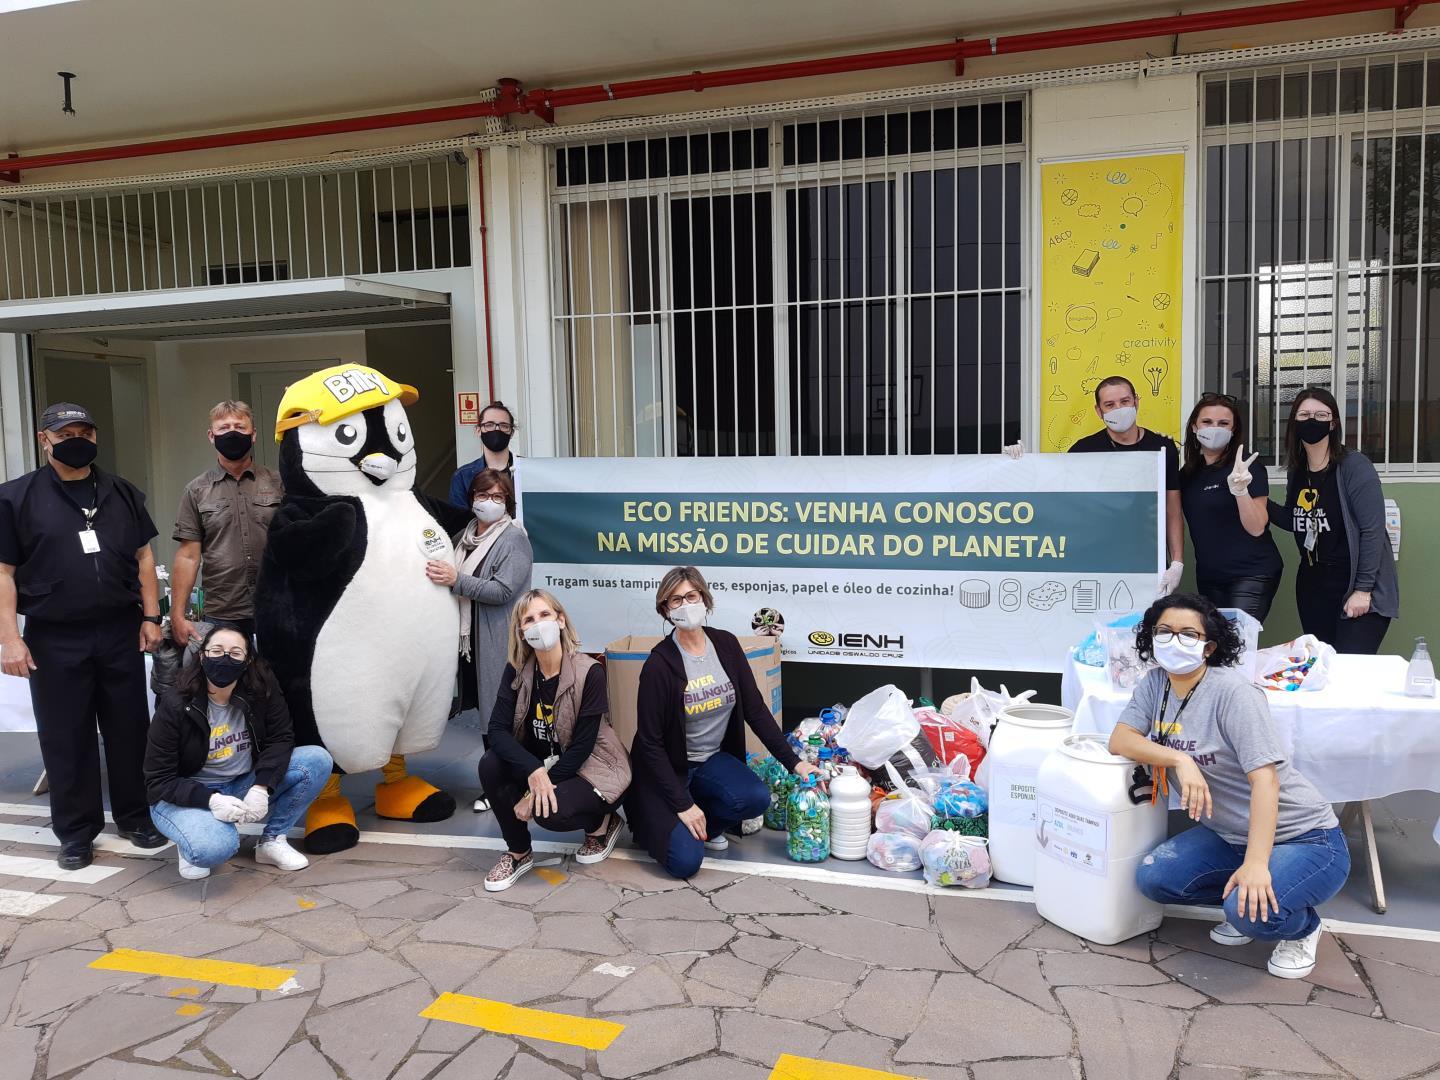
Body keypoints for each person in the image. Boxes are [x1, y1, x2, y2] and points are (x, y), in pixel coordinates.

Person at [1110, 593, 1348, 980]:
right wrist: (1179, 759)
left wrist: (1256, 864)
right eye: (1165, 631)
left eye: (1188, 634)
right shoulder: (1157, 684)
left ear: (1209, 647)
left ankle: (1302, 928)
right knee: (1156, 878)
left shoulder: (1234, 694)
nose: (1174, 640)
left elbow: (1265, 781)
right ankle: (1248, 895)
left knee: (1247, 913)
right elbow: (1120, 738)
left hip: (1305, 836)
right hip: (1230, 835)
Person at [0, 403, 167, 870]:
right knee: (66, 737)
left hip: (119, 630)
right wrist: (10, 640)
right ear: (44, 440)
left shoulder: (122, 493)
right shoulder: (15, 498)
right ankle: (75, 833)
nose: (76, 439)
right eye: (65, 432)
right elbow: (4, 573)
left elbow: (143, 558)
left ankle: (136, 817)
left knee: (130, 730)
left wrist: (152, 617)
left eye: (84, 431)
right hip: (54, 638)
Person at [626, 566, 821, 879]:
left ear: (705, 599)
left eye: (691, 596)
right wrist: (682, 804)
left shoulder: (726, 646)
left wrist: (795, 763)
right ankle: (670, 823)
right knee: (685, 864)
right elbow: (650, 744)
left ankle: (701, 825)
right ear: (665, 609)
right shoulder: (659, 665)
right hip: (667, 771)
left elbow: (756, 711)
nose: (685, 605)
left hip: (709, 765)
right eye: (675, 601)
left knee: (756, 797)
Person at [144, 625, 331, 879]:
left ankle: (272, 840)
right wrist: (209, 800)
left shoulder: (261, 688)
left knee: (316, 760)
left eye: (235, 653)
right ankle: (194, 836)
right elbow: (158, 780)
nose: (224, 659)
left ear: (247, 660)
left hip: (240, 783)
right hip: (187, 795)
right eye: (216, 651)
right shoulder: (176, 702)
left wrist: (261, 787)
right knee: (212, 850)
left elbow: (281, 738)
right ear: (202, 656)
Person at [476, 589, 630, 890]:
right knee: (490, 764)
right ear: (521, 631)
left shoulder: (590, 672)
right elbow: (496, 730)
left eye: (545, 615)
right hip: (545, 765)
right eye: (529, 619)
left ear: (561, 620)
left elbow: (583, 749)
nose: (538, 624)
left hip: (594, 769)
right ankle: (518, 851)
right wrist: (534, 772)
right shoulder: (517, 671)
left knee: (550, 811)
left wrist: (533, 795)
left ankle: (602, 823)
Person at [425, 467, 533, 810]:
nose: (489, 503)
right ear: (471, 499)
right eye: (482, 496)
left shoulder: (513, 538)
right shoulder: (464, 536)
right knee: (486, 714)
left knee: (501, 716)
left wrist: (455, 580)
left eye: (497, 497)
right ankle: (496, 780)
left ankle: (506, 785)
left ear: (508, 503)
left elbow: (502, 590)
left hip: (499, 643)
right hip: (469, 642)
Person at [1271, 387, 1397, 653]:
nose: (1311, 420)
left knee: (1350, 671)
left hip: (1354, 584)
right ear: (1293, 421)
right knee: (1323, 667)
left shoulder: (1353, 465)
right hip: (1313, 583)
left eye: (1320, 414)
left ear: (1333, 422)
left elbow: (1372, 530)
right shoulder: (1298, 470)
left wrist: (1363, 589)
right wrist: (1250, 495)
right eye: (1304, 415)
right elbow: (1295, 518)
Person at [171, 401, 284, 644]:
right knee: (227, 679)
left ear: (253, 435)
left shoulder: (280, 484)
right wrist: (177, 615)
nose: (232, 433)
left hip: (278, 603)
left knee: (278, 680)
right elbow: (188, 556)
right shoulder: (196, 490)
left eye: (240, 427)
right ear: (211, 436)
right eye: (224, 428)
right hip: (223, 611)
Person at [1070, 376, 1185, 595]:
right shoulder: (1083, 450)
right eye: (1110, 405)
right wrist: (1015, 462)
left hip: (1148, 557)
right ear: (1098, 410)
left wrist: (1177, 562)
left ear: (1136, 402)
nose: (1119, 409)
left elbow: (1172, 509)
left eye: (1125, 401)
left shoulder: (1162, 447)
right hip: (1096, 556)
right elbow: (1068, 505)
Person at [1178, 393, 1283, 622]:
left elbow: (1256, 527)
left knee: (1238, 643)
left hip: (1252, 573)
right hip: (1209, 576)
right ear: (1195, 427)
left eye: (1223, 423)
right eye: (1207, 422)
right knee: (1216, 644)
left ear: (1233, 430)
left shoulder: (1247, 467)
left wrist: (1241, 490)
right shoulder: (1188, 474)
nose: (1214, 428)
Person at [450, 401, 518, 510]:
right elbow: (458, 521)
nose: (496, 429)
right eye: (489, 425)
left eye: (504, 426)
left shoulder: (527, 469)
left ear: (512, 433)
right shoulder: (462, 476)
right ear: (478, 430)